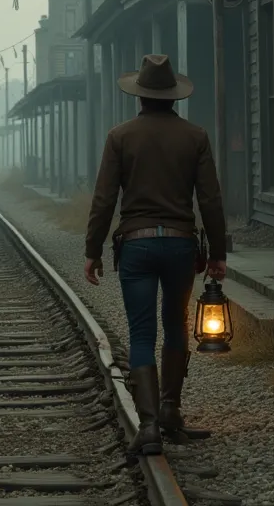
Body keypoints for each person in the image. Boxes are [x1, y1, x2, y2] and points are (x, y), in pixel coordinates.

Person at [84, 54, 227, 457]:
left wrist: (92, 250)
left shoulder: (120, 136)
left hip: (137, 244)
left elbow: (104, 199)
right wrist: (218, 252)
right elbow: (211, 199)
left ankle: (148, 427)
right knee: (177, 324)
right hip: (181, 245)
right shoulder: (195, 137)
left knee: (142, 332)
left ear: (140, 97)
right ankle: (171, 411)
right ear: (174, 98)